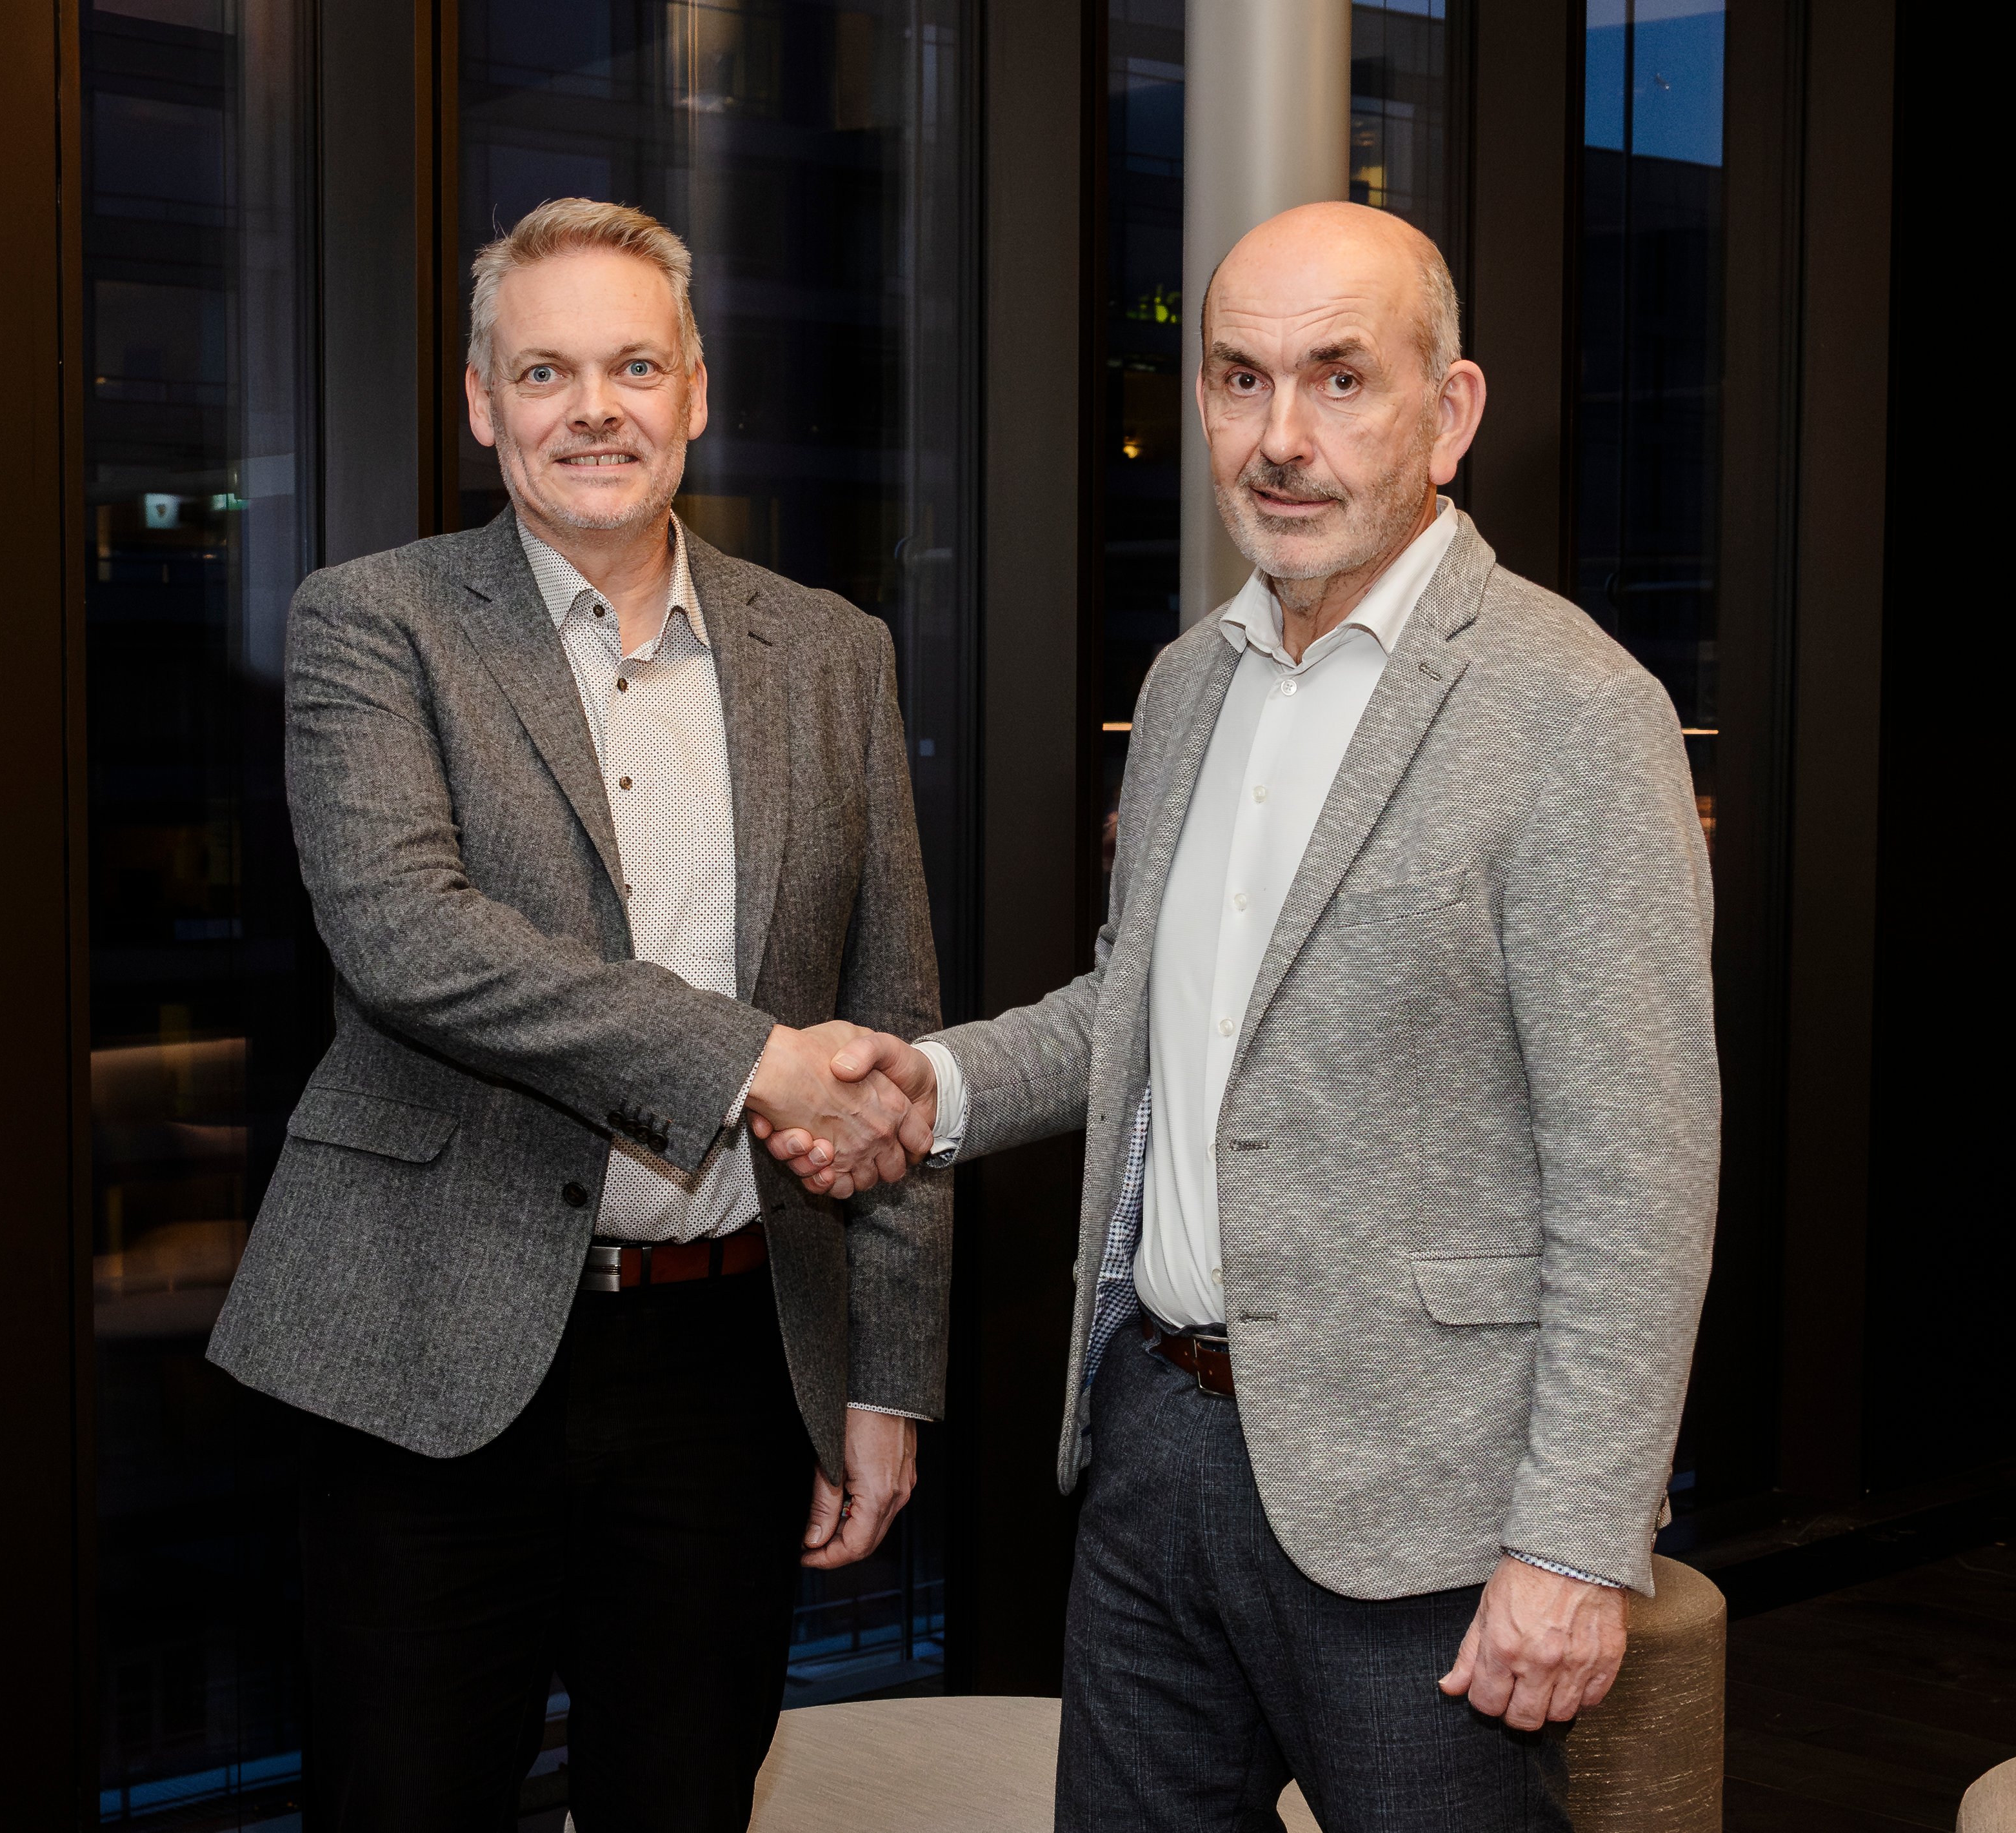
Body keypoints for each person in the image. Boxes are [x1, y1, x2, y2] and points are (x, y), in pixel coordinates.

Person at [765, 201, 1719, 1829]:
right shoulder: (1189, 683)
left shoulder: (1576, 710)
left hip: (1424, 1509)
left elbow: (1640, 1172)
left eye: (1340, 378)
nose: (1281, 437)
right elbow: (1139, 1010)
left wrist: (1571, 1542)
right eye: (1239, 379)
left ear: (1450, 411)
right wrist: (929, 1084)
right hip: (1153, 1444)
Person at [208, 197, 950, 1833]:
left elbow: (892, 1025)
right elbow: (412, 941)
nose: (593, 408)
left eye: (634, 366)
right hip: (422, 1336)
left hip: (729, 1361)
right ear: (484, 404)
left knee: (682, 1802)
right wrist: (749, 1058)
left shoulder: (833, 654)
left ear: (697, 390)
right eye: (545, 371)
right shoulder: (372, 619)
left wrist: (885, 1376)